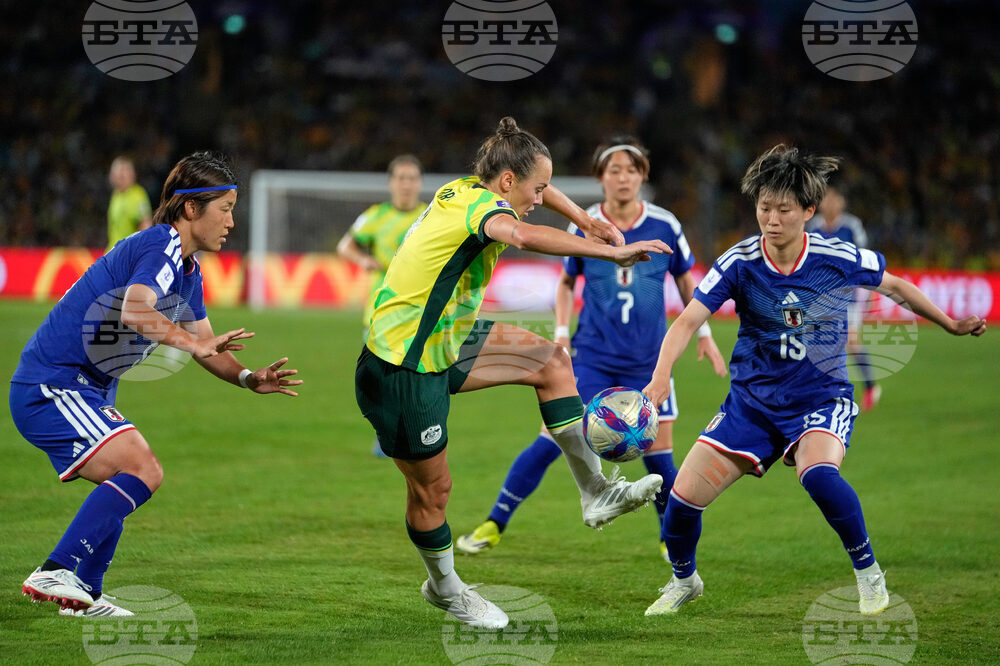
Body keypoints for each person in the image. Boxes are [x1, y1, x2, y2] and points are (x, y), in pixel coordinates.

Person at [642, 145, 986, 617]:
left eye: (784, 209)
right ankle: (684, 580)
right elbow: (685, 322)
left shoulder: (835, 255)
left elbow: (897, 287)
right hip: (751, 405)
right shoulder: (739, 261)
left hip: (819, 400)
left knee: (820, 475)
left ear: (808, 210)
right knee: (681, 500)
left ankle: (869, 574)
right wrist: (660, 379)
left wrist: (948, 323)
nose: (771, 218)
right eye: (764, 207)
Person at [354, 117, 671, 629]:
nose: (541, 195)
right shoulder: (487, 211)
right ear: (507, 182)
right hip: (402, 369)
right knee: (432, 494)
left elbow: (536, 197)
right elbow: (522, 233)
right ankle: (446, 588)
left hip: (446, 342)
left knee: (552, 363)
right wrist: (609, 250)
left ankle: (595, 493)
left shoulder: (462, 188)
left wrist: (584, 219)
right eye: (537, 188)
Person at [13, 152, 302, 617]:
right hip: (56, 383)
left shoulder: (188, 271)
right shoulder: (162, 244)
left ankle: (85, 592)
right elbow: (136, 310)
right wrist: (188, 343)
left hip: (83, 387)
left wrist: (249, 378)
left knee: (125, 475)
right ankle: (56, 568)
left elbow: (209, 345)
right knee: (144, 469)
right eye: (225, 208)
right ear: (191, 209)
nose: (232, 220)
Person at [456, 137, 727, 559]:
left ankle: (669, 539)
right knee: (550, 439)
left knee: (659, 457)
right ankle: (495, 522)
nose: (623, 177)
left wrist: (705, 335)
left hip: (649, 359)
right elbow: (566, 282)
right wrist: (561, 331)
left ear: (643, 177)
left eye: (632, 170)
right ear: (601, 178)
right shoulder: (584, 225)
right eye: (614, 170)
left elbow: (685, 279)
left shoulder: (664, 223)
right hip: (593, 356)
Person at [337, 155, 427, 458]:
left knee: (414, 378)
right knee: (380, 379)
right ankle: (385, 434)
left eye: (412, 178)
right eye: (401, 178)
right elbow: (344, 245)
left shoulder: (430, 215)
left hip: (418, 309)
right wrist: (363, 259)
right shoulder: (375, 216)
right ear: (391, 182)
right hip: (379, 310)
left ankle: (411, 434)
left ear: (419, 183)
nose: (406, 184)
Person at [806, 185, 881, 410]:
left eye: (833, 199)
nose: (829, 204)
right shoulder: (813, 226)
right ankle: (823, 390)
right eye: (825, 200)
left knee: (851, 341)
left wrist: (867, 291)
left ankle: (870, 386)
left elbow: (864, 258)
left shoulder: (851, 226)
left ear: (841, 203)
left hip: (848, 295)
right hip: (820, 297)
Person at [106, 156, 153, 252]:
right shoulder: (116, 195)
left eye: (124, 171)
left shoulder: (137, 195)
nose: (120, 175)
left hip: (127, 255)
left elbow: (146, 226)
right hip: (113, 254)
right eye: (117, 172)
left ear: (133, 175)